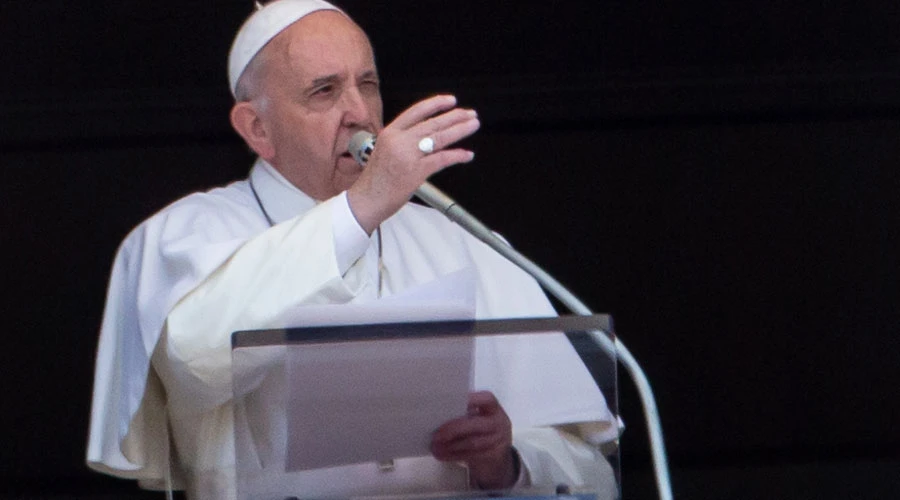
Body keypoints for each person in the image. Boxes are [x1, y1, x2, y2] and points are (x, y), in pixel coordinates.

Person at [86, 1, 620, 499]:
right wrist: (361, 207)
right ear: (257, 128)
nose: (361, 112)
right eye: (325, 91)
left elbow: (590, 467)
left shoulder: (463, 243)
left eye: (368, 84)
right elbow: (195, 360)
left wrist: (505, 462)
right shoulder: (184, 233)